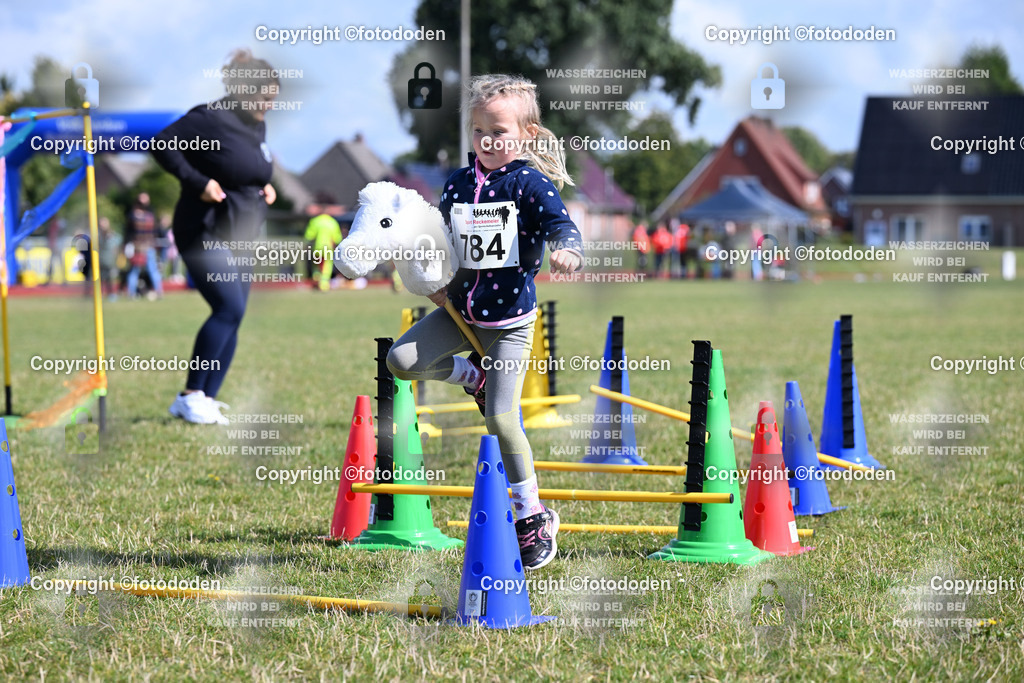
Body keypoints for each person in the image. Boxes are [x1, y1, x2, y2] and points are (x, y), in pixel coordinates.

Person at [387, 74, 583, 570]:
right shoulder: (456, 183)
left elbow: (562, 225)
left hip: (510, 324)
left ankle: (532, 516)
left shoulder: (529, 184)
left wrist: (568, 250)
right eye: (479, 132)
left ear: (528, 134)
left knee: (500, 417)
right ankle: (470, 376)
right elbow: (439, 240)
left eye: (499, 131)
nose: (489, 142)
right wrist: (420, 268)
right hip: (458, 311)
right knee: (401, 360)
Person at [151, 48, 278, 425]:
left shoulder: (257, 124)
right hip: (202, 230)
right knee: (228, 308)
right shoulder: (209, 118)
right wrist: (199, 182)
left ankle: (204, 398)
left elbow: (249, 168)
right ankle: (190, 394)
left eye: (273, 98)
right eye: (263, 97)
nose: (268, 105)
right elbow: (162, 144)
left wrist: (264, 188)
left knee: (234, 316)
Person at [124, 192, 164, 299]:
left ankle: (133, 293)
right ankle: (133, 293)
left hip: (145, 246)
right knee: (138, 270)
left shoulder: (136, 215)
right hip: (140, 247)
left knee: (146, 269)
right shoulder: (146, 215)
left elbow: (128, 231)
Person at [303, 202, 342, 291]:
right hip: (328, 248)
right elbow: (337, 238)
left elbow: (309, 236)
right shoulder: (332, 222)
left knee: (317, 265)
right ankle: (324, 285)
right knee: (327, 266)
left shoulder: (315, 221)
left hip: (317, 247)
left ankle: (316, 281)